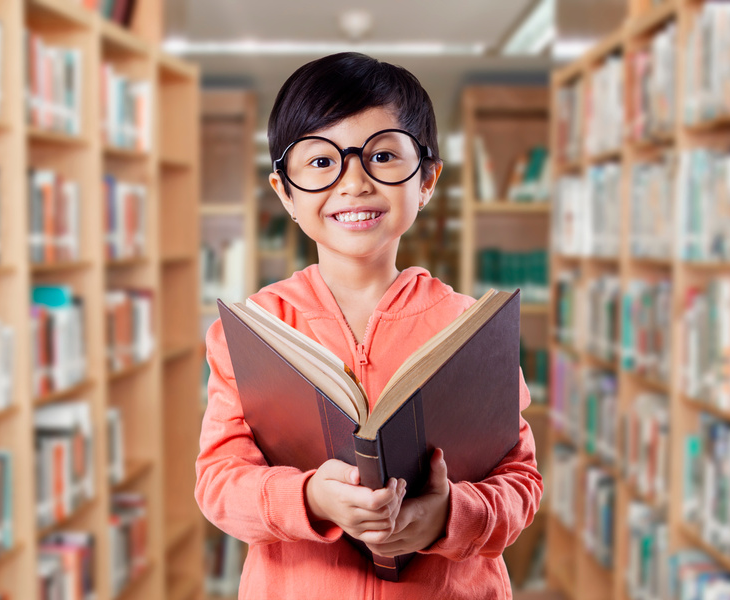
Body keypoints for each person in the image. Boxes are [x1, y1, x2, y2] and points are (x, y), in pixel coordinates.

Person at [195, 52, 543, 599]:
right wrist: (310, 498)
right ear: (284, 191)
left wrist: (450, 514)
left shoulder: (472, 328)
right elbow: (218, 483)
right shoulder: (255, 328)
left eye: (382, 155)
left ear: (426, 180)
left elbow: (520, 486)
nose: (353, 183)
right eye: (319, 162)